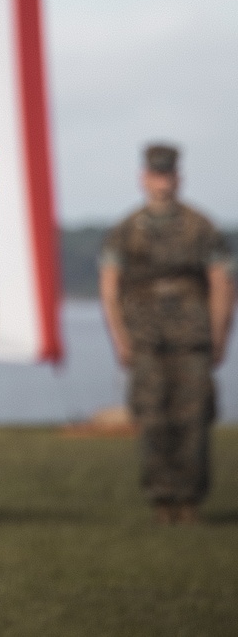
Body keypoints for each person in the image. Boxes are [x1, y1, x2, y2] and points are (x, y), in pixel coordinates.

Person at [99, 143, 235, 524]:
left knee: (193, 419)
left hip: (191, 339)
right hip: (145, 340)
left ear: (179, 178)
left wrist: (220, 335)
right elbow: (110, 288)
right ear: (144, 178)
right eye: (156, 175)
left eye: (168, 175)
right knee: (153, 417)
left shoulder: (201, 227)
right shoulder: (126, 230)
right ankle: (162, 499)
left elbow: (222, 284)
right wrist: (120, 339)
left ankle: (189, 500)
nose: (162, 183)